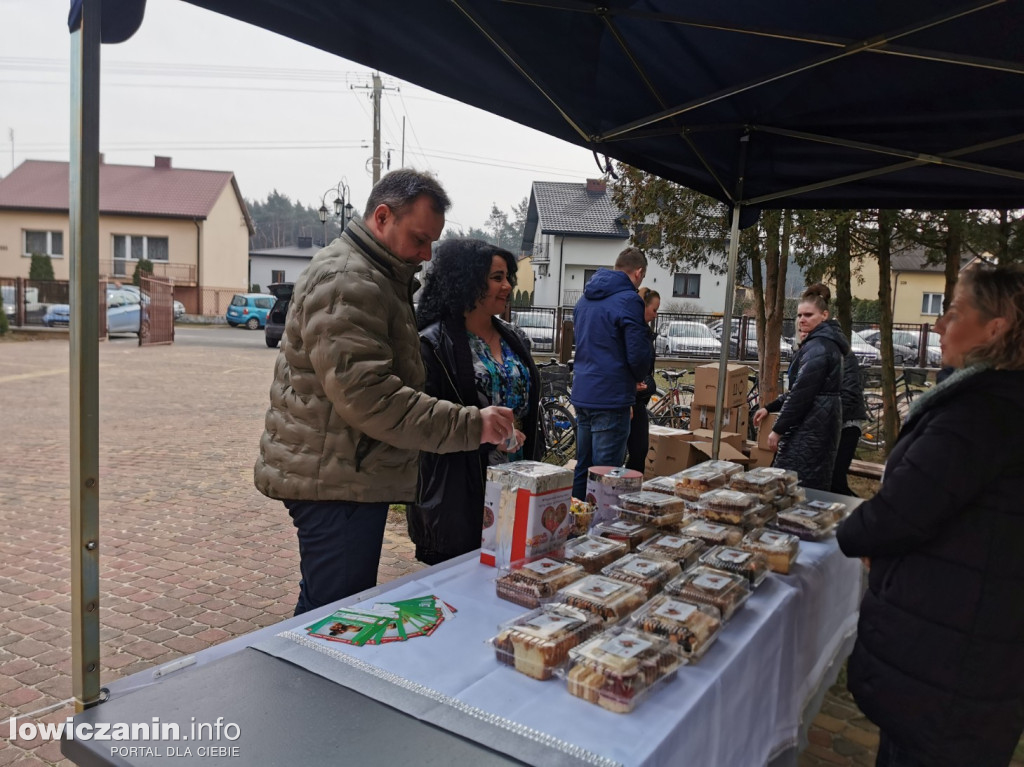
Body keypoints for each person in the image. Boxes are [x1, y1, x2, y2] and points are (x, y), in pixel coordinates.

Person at [254, 169, 515, 616]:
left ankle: (311, 679)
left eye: (433, 242)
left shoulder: (374, 276)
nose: (426, 253)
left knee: (329, 605)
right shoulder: (347, 280)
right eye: (419, 238)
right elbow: (370, 397)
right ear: (381, 216)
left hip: (345, 472)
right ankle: (310, 685)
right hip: (337, 482)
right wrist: (472, 424)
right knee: (332, 614)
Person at [836, 264, 1024, 767]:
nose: (939, 325)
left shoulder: (981, 412)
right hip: (966, 645)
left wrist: (845, 531)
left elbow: (904, 509)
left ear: (995, 327)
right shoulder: (992, 399)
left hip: (950, 658)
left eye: (954, 311)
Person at [407, 239, 542, 565]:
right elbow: (425, 422)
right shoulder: (433, 343)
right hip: (460, 490)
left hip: (516, 481)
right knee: (461, 586)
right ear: (467, 280)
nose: (508, 285)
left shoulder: (515, 337)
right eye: (497, 277)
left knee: (514, 578)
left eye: (508, 276)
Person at [570, 247, 652, 499]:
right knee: (605, 476)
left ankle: (576, 526)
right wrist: (639, 377)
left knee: (583, 467)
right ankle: (599, 534)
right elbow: (637, 354)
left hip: (583, 394)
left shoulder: (585, 299)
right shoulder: (629, 300)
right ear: (638, 273)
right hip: (611, 397)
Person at [752, 283, 847, 491]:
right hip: (819, 423)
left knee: (794, 487)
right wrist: (770, 407)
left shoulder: (819, 347)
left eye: (808, 315)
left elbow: (801, 394)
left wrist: (777, 430)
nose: (802, 319)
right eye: (799, 315)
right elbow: (801, 389)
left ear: (824, 315)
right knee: (807, 485)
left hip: (811, 427)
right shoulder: (821, 343)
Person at [625, 287, 660, 473]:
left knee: (639, 450)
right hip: (629, 399)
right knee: (635, 449)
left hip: (637, 400)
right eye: (653, 310)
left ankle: (630, 486)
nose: (655, 315)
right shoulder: (633, 329)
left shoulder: (643, 331)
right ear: (642, 306)